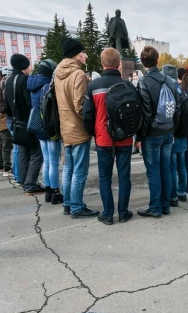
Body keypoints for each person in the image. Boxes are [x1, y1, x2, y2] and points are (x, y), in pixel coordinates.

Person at [83, 48, 135, 224]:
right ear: (119, 64)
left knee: (104, 177)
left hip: (103, 138)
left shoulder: (93, 86)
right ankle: (123, 212)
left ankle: (107, 213)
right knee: (124, 177)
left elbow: (88, 115)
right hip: (125, 137)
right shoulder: (128, 85)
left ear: (102, 63)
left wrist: (93, 133)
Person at [53, 39, 97, 217]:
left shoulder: (58, 73)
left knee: (69, 168)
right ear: (75, 54)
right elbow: (81, 106)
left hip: (65, 126)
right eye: (82, 52)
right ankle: (77, 206)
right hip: (78, 128)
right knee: (79, 170)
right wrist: (91, 125)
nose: (85, 55)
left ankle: (68, 203)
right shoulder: (78, 74)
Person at [135, 46, 178, 218]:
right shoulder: (169, 80)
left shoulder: (144, 82)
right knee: (165, 169)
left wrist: (140, 136)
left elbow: (145, 113)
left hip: (152, 133)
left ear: (142, 62)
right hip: (168, 129)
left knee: (153, 171)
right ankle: (165, 205)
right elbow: (177, 107)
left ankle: (155, 207)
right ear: (157, 60)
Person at [5, 54, 45, 196]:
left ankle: (24, 182)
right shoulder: (25, 80)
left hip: (15, 121)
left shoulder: (8, 80)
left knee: (22, 153)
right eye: (28, 65)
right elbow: (30, 103)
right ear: (23, 66)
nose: (30, 68)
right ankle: (30, 184)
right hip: (27, 121)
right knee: (36, 154)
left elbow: (6, 105)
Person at [27, 59, 63, 204]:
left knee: (46, 160)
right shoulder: (49, 85)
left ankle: (48, 190)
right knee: (53, 161)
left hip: (38, 126)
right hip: (50, 126)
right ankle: (55, 191)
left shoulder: (33, 85)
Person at [163, 64, 188, 206]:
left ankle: (173, 196)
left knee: (172, 167)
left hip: (172, 133)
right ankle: (182, 192)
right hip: (182, 133)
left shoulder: (168, 90)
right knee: (181, 166)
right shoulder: (181, 91)